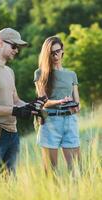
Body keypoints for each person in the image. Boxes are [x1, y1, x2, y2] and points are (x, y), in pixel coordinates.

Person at [0, 27, 45, 174]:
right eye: (13, 46)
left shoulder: (9, 71)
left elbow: (16, 100)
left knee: (10, 184)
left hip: (13, 133)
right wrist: (15, 111)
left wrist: (32, 106)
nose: (16, 50)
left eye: (18, 47)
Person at [34, 36, 80, 174]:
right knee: (51, 171)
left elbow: (77, 102)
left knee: (76, 170)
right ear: (46, 54)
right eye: (51, 53)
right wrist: (60, 102)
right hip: (50, 122)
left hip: (70, 121)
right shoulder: (40, 73)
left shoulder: (71, 74)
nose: (55, 56)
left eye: (57, 51)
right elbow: (44, 102)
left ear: (62, 51)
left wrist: (75, 106)